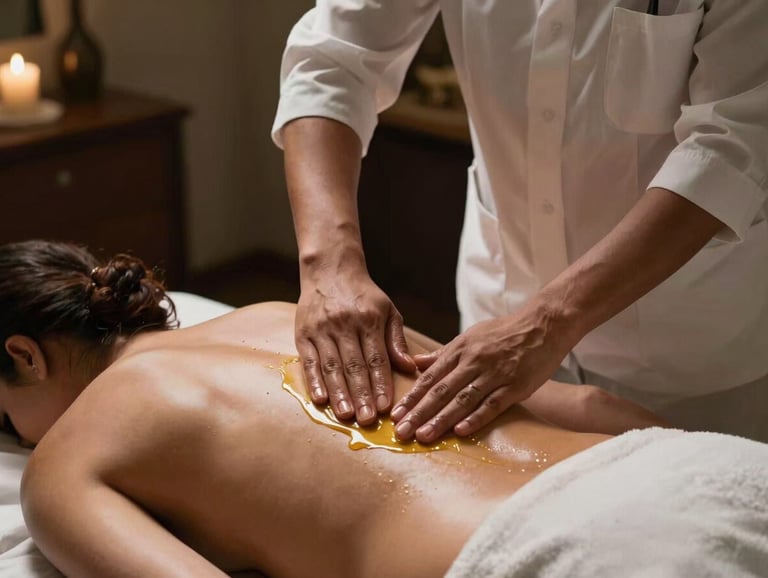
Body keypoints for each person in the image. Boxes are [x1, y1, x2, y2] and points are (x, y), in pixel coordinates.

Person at [0, 240, 679, 577]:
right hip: (674, 474)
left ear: (24, 355)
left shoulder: (65, 462)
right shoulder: (288, 315)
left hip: (558, 558)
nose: (16, 438)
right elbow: (588, 404)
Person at [272, 1, 768, 443]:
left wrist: (548, 321)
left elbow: (731, 147)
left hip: (690, 350)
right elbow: (333, 59)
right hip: (496, 312)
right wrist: (329, 263)